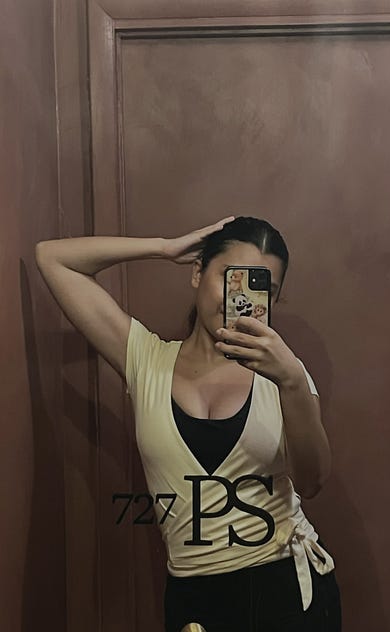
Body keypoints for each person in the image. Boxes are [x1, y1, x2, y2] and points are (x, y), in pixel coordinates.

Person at [35, 216, 342, 632]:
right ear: (198, 273)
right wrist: (164, 247)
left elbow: (312, 481)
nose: (240, 299)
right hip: (193, 598)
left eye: (262, 289)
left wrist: (291, 382)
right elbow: (53, 258)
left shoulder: (286, 374)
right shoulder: (147, 360)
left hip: (286, 589)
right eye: (230, 278)